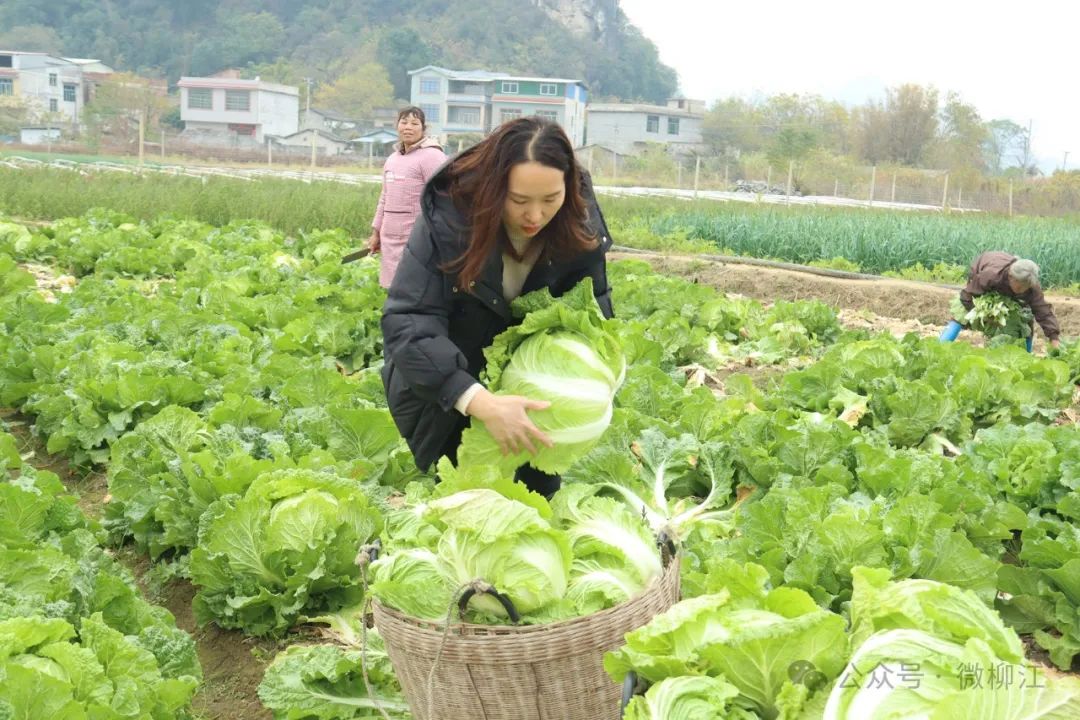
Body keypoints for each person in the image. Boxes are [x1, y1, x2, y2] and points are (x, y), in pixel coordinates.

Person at [380, 117, 614, 497]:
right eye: (519, 201)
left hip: (535, 392)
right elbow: (409, 319)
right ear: (493, 188)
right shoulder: (451, 219)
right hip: (450, 392)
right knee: (467, 501)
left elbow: (592, 314)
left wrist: (585, 383)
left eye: (550, 200)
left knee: (538, 500)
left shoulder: (579, 226)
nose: (534, 216)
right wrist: (479, 401)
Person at [369, 107, 447, 288]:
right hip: (389, 234)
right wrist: (376, 232)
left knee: (413, 287)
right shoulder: (392, 159)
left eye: (414, 123)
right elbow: (384, 197)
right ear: (397, 126)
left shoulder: (433, 156)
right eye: (404, 122)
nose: (408, 127)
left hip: (417, 236)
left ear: (423, 128)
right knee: (390, 287)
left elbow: (443, 197)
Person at [940, 251, 1060, 351]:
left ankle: (1025, 356)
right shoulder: (991, 275)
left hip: (1003, 283)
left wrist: (1054, 337)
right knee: (961, 314)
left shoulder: (1031, 286)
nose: (1022, 291)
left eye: (1026, 288)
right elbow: (966, 296)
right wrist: (984, 316)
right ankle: (940, 346)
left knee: (1025, 323)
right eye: (1019, 287)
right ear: (1011, 277)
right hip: (982, 272)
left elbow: (1043, 311)